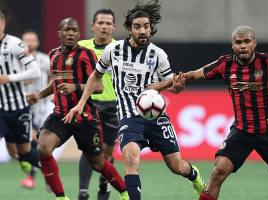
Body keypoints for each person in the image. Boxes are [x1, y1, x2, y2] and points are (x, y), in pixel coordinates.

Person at [148, 25, 268, 200]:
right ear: (233, 45)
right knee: (218, 172)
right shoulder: (225, 65)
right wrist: (160, 86)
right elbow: (191, 76)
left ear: (254, 43)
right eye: (238, 42)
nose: (243, 46)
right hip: (242, 131)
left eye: (247, 41)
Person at [63, 1, 206, 199]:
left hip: (156, 117)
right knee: (131, 161)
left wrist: (177, 88)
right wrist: (81, 103)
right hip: (129, 117)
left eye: (146, 27)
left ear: (150, 29)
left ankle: (194, 176)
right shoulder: (113, 51)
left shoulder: (158, 55)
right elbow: (95, 76)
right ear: (129, 29)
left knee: (177, 167)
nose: (142, 31)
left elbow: (170, 85)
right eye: (137, 27)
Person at [26, 18, 126, 200]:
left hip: (84, 115)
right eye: (67, 29)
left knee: (98, 163)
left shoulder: (86, 54)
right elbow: (56, 82)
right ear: (59, 33)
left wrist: (75, 87)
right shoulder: (54, 54)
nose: (70, 33)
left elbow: (98, 87)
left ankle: (124, 191)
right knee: (43, 147)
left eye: (74, 30)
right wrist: (39, 96)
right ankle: (61, 197)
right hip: (61, 114)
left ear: (79, 35)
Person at [77, 9, 129, 200]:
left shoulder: (122, 49)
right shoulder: (81, 47)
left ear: (114, 27)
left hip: (114, 107)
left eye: (108, 23)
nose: (104, 27)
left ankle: (104, 183)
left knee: (107, 152)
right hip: (90, 105)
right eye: (100, 23)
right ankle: (83, 191)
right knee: (89, 148)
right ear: (93, 26)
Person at [0, 9, 42, 180]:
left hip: (18, 107)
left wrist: (9, 78)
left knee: (20, 152)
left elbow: (36, 72)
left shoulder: (14, 44)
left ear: (3, 23)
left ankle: (47, 167)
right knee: (15, 152)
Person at [13, 29, 51, 190]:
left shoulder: (44, 59)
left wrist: (50, 93)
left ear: (37, 42)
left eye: (32, 39)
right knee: (28, 143)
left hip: (40, 107)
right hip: (21, 106)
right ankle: (46, 174)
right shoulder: (16, 61)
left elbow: (54, 75)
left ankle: (33, 177)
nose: (29, 42)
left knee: (35, 141)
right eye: (26, 39)